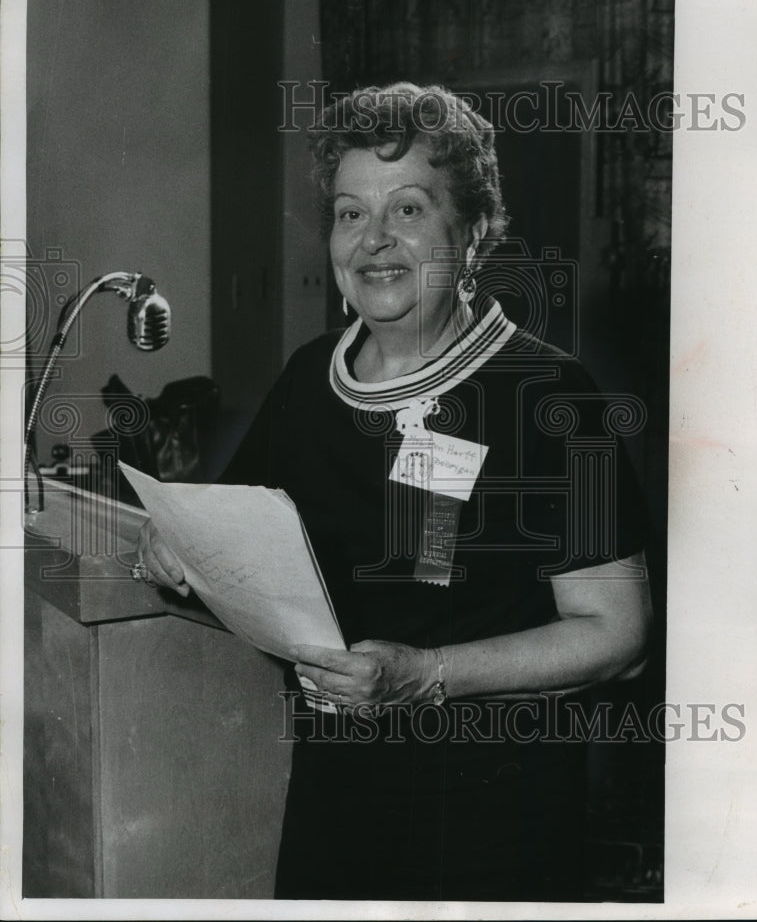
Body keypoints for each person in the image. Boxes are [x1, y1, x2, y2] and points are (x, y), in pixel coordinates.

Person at [138, 82, 652, 902]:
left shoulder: (554, 396)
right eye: (349, 214)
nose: (373, 240)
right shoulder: (312, 378)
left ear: (473, 229)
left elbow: (616, 635)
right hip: (335, 794)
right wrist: (176, 546)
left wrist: (424, 673)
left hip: (492, 810)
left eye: (408, 210)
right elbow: (240, 538)